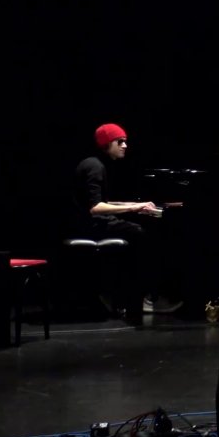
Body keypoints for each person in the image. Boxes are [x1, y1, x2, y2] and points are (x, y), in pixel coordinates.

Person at [72, 123, 178, 324]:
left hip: (92, 222)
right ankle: (144, 297)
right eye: (119, 141)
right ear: (106, 143)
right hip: (91, 225)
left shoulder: (96, 163)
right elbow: (95, 208)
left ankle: (123, 294)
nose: (125, 146)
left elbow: (104, 202)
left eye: (125, 142)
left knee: (140, 232)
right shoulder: (95, 167)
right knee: (142, 235)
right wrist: (133, 208)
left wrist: (135, 205)